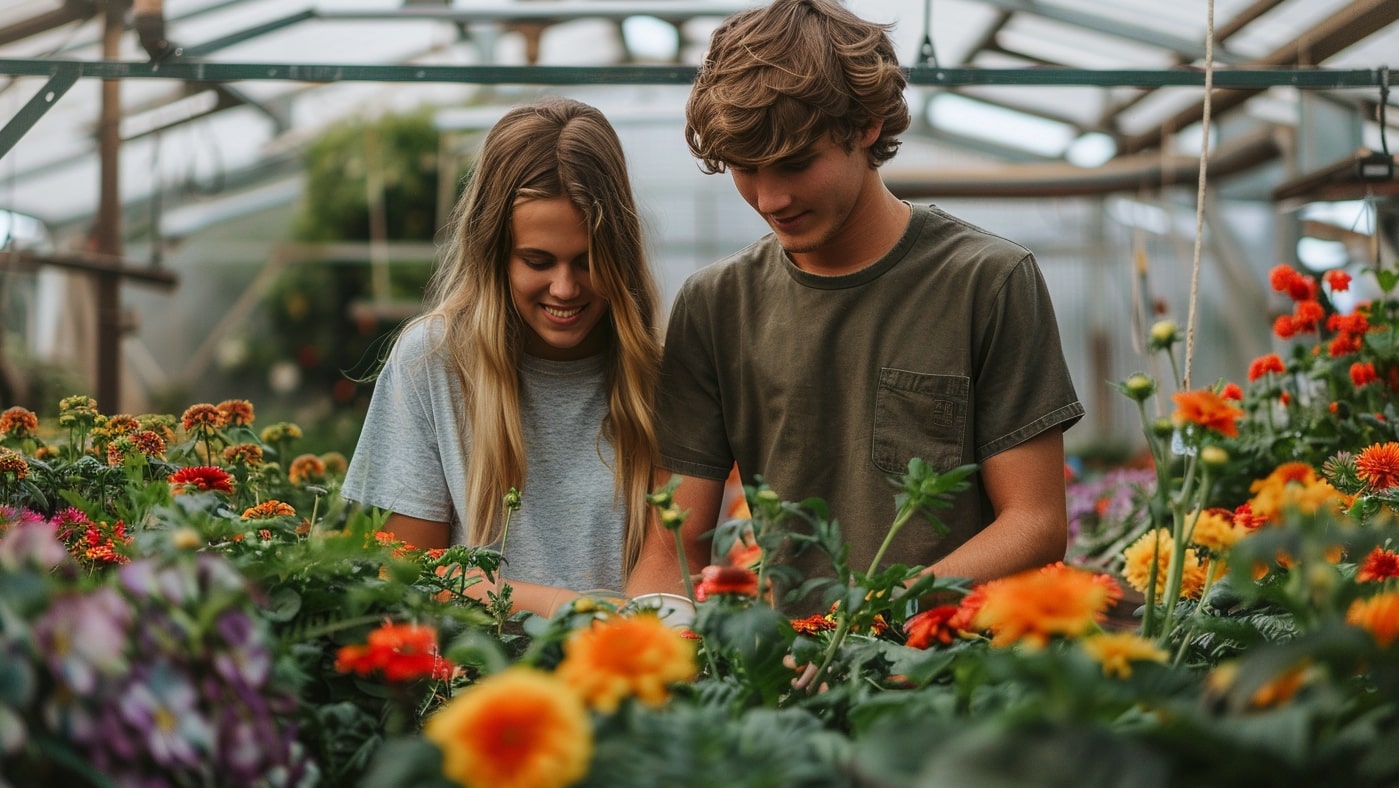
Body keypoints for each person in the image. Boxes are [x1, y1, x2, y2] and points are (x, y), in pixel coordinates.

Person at [624, 0, 1084, 614]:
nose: (769, 197)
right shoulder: (716, 305)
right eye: (744, 168)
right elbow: (673, 546)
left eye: (795, 163)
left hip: (957, 670)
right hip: (789, 681)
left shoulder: (987, 281)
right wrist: (650, 641)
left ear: (865, 125)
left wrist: (868, 625)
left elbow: (1034, 523)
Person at [344, 97, 662, 617]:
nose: (565, 288)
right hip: (471, 685)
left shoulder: (661, 377)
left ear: (620, 254)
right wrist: (573, 611)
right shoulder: (434, 362)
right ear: (493, 253)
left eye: (589, 261)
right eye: (537, 261)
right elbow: (403, 571)